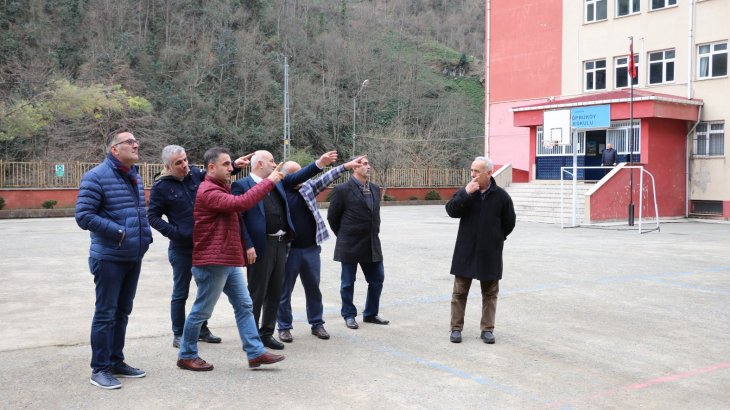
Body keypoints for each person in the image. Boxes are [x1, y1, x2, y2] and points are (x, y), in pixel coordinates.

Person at [176, 147, 285, 371]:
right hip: (213, 261)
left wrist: (234, 165)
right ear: (211, 167)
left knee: (244, 305)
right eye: (226, 165)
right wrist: (270, 181)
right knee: (201, 311)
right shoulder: (208, 191)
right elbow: (241, 203)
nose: (231, 168)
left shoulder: (219, 186)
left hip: (226, 259)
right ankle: (186, 354)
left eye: (230, 164)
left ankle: (255, 353)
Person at [148, 145, 251, 349]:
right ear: (167, 166)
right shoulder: (161, 187)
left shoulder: (196, 174)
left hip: (205, 245)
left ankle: (202, 329)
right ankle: (179, 333)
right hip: (182, 249)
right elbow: (152, 216)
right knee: (180, 292)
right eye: (179, 163)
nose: (185, 165)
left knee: (205, 290)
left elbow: (214, 174)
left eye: (185, 159)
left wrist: (235, 166)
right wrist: (176, 233)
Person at [231, 150, 335, 349]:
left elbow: (298, 176)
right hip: (260, 246)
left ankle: (267, 333)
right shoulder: (242, 185)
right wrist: (248, 244)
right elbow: (238, 218)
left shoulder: (278, 182)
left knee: (275, 291)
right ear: (260, 163)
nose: (274, 163)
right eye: (271, 161)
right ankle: (251, 338)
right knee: (257, 293)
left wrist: (319, 163)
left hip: (280, 244)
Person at [75, 129, 153, 389]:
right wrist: (119, 232)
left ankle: (116, 361)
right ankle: (100, 368)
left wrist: (144, 238)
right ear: (114, 149)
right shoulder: (96, 177)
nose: (135, 144)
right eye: (129, 142)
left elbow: (138, 214)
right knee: (106, 314)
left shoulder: (134, 176)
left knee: (122, 312)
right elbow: (84, 216)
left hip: (132, 255)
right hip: (109, 257)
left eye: (136, 141)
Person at [276, 155, 365, 343]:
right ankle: (284, 327)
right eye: (297, 174)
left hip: (310, 249)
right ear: (287, 177)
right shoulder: (279, 191)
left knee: (313, 289)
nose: (303, 177)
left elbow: (327, 177)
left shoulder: (308, 187)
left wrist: (346, 166)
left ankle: (317, 324)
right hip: (288, 251)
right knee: (284, 291)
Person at [445, 156, 516, 345]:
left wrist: (496, 239)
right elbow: (451, 211)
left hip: (489, 253)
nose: (473, 174)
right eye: (472, 170)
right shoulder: (467, 192)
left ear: (489, 173)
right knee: (459, 293)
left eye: (477, 171)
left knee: (490, 293)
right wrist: (465, 193)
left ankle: (487, 330)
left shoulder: (501, 196)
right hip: (465, 250)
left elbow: (509, 223)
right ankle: (456, 329)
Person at [327, 156, 389, 330]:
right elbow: (333, 217)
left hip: (371, 243)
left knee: (377, 279)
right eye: (363, 164)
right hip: (349, 244)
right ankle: (349, 315)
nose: (367, 166)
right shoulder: (342, 189)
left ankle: (370, 314)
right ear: (354, 168)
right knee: (348, 282)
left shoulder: (376, 189)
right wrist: (343, 235)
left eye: (368, 163)